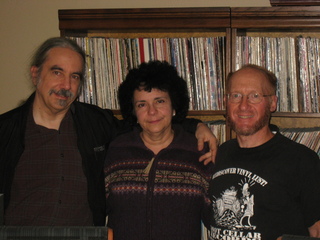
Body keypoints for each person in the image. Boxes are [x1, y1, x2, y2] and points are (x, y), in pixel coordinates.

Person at [0, 37, 217, 226]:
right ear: (35, 74)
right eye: (57, 72)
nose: (66, 84)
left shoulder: (96, 123)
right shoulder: (5, 131)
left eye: (75, 76)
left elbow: (147, 122)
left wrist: (195, 125)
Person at [206, 64, 320, 240]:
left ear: (272, 103)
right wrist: (197, 126)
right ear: (226, 102)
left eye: (255, 96)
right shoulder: (220, 154)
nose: (244, 105)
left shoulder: (301, 160)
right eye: (236, 96)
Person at [104, 60, 214, 240]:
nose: (152, 111)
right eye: (142, 104)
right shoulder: (116, 151)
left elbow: (218, 219)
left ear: (174, 106)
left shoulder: (199, 153)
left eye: (160, 101)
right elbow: (96, 210)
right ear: (133, 112)